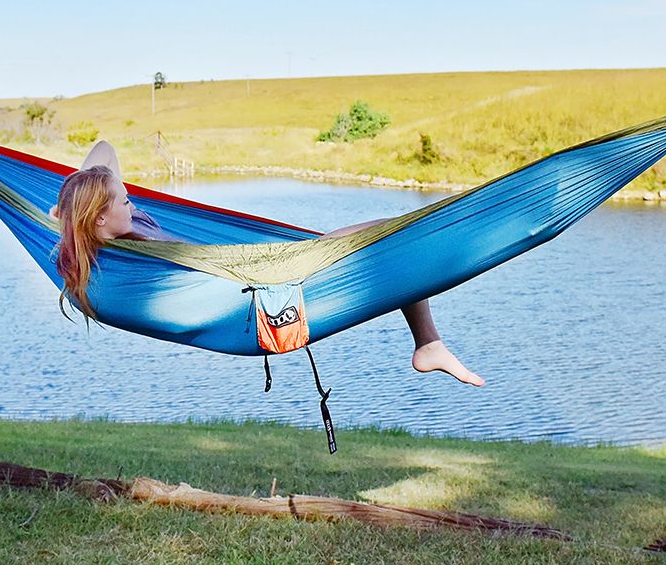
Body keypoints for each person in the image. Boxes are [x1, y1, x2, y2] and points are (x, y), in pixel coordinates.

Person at [52, 139, 484, 386]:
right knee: (396, 238)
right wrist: (73, 209)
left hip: (267, 267)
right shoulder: (131, 255)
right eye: (123, 199)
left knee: (395, 234)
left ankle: (428, 344)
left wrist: (64, 205)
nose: (132, 199)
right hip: (266, 286)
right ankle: (429, 345)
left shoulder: (121, 223)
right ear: (101, 216)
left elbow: (104, 152)